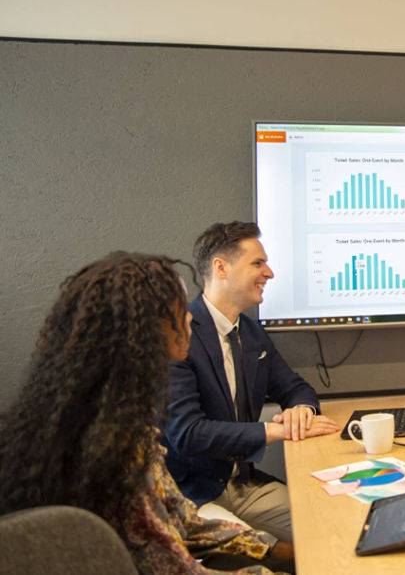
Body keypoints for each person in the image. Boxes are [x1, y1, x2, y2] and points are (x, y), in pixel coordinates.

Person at [0, 252, 293, 573]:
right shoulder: (115, 451)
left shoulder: (104, 419)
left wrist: (277, 551)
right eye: (179, 311)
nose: (189, 319)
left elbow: (184, 524)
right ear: (143, 331)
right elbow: (171, 565)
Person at [163, 222, 340, 545]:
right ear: (221, 268)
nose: (269, 273)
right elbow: (187, 434)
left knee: (333, 526)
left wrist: (301, 409)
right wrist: (273, 431)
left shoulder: (250, 332)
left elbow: (295, 387)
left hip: (244, 485)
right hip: (195, 495)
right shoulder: (179, 335)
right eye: (257, 263)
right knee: (267, 552)